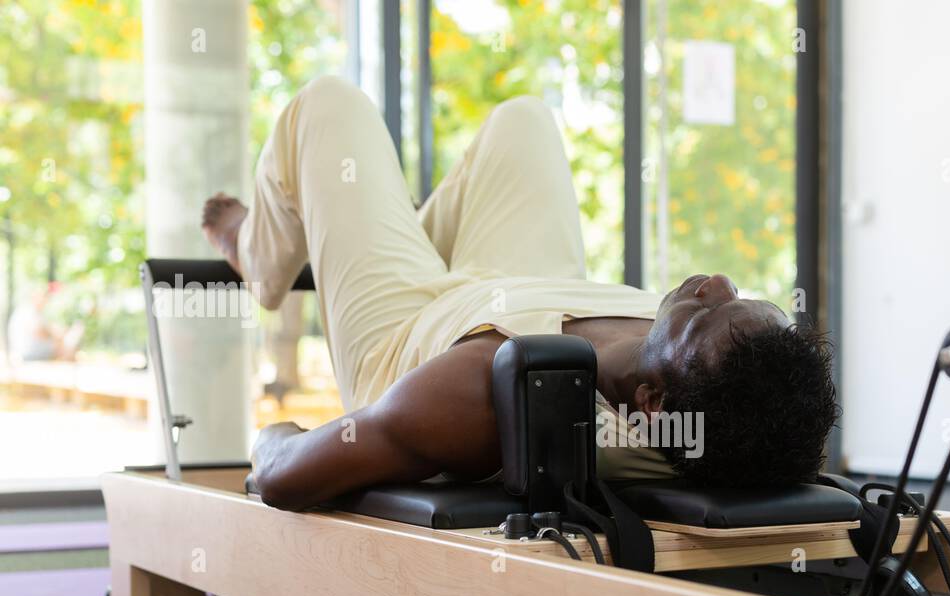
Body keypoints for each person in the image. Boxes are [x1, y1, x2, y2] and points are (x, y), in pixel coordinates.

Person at [202, 76, 836, 511]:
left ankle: (260, 255)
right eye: (738, 297)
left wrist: (271, 432)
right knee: (523, 118)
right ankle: (384, 230)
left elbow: (285, 478)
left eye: (706, 312)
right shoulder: (706, 396)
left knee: (327, 103)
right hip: (524, 287)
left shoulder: (490, 397)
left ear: (648, 403)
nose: (715, 283)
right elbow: (777, 436)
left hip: (411, 331)